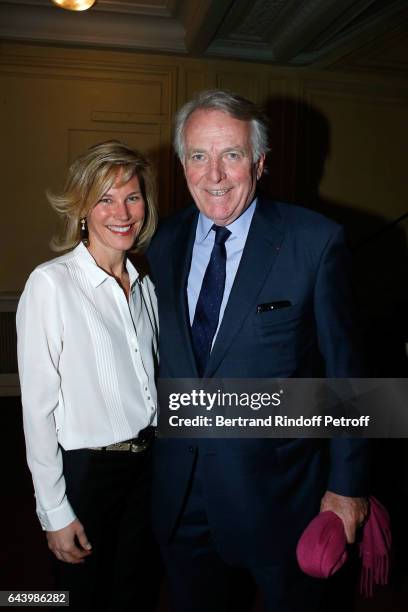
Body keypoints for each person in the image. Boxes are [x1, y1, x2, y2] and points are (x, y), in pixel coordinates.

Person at [147, 90, 370, 612]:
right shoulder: (164, 241)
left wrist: (347, 487)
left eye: (232, 155)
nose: (215, 175)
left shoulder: (316, 242)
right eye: (199, 156)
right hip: (180, 499)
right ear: (183, 165)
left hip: (280, 500)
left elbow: (348, 379)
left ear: (260, 162)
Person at [17, 141, 159, 611]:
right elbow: (37, 410)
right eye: (105, 198)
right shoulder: (51, 284)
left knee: (136, 593)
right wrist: (53, 512)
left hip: (149, 469)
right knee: (83, 597)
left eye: (132, 197)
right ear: (82, 208)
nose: (123, 212)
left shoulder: (146, 285)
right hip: (89, 474)